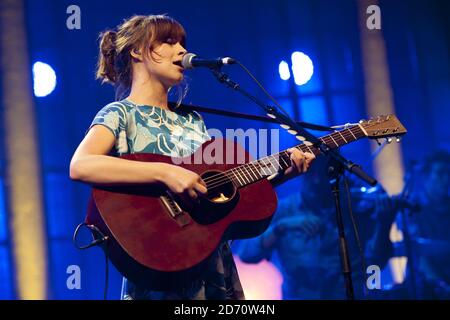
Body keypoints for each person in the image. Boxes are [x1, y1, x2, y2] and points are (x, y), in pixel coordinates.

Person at [69, 14, 315, 300]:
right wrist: (165, 173)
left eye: (182, 42)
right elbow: (81, 164)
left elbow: (218, 193)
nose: (181, 50)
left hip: (210, 262)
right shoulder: (119, 114)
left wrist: (283, 175)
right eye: (168, 41)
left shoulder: (192, 120)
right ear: (137, 51)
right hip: (160, 261)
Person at [238, 156, 398, 299]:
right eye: (311, 174)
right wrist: (280, 228)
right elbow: (247, 254)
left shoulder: (352, 208)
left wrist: (384, 226)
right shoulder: (284, 210)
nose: (316, 181)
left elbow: (376, 263)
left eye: (322, 175)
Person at [392, 150, 450, 299]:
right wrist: (441, 285)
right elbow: (419, 253)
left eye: (448, 173)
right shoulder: (412, 208)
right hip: (425, 286)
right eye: (440, 173)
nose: (446, 178)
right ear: (426, 176)